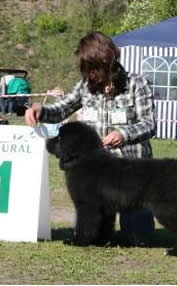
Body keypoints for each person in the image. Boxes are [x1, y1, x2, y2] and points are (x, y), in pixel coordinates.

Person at [25, 31, 156, 245]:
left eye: (93, 69)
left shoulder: (136, 84)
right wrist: (41, 110)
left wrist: (123, 134)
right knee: (89, 236)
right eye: (85, 70)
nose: (89, 75)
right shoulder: (85, 86)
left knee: (138, 239)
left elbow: (149, 123)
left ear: (107, 62)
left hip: (132, 173)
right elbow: (63, 107)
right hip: (95, 174)